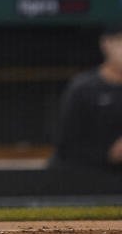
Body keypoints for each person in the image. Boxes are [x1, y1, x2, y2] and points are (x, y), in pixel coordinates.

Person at [51, 26, 122, 173]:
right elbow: (65, 145)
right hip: (83, 179)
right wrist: (109, 154)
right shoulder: (84, 88)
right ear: (106, 44)